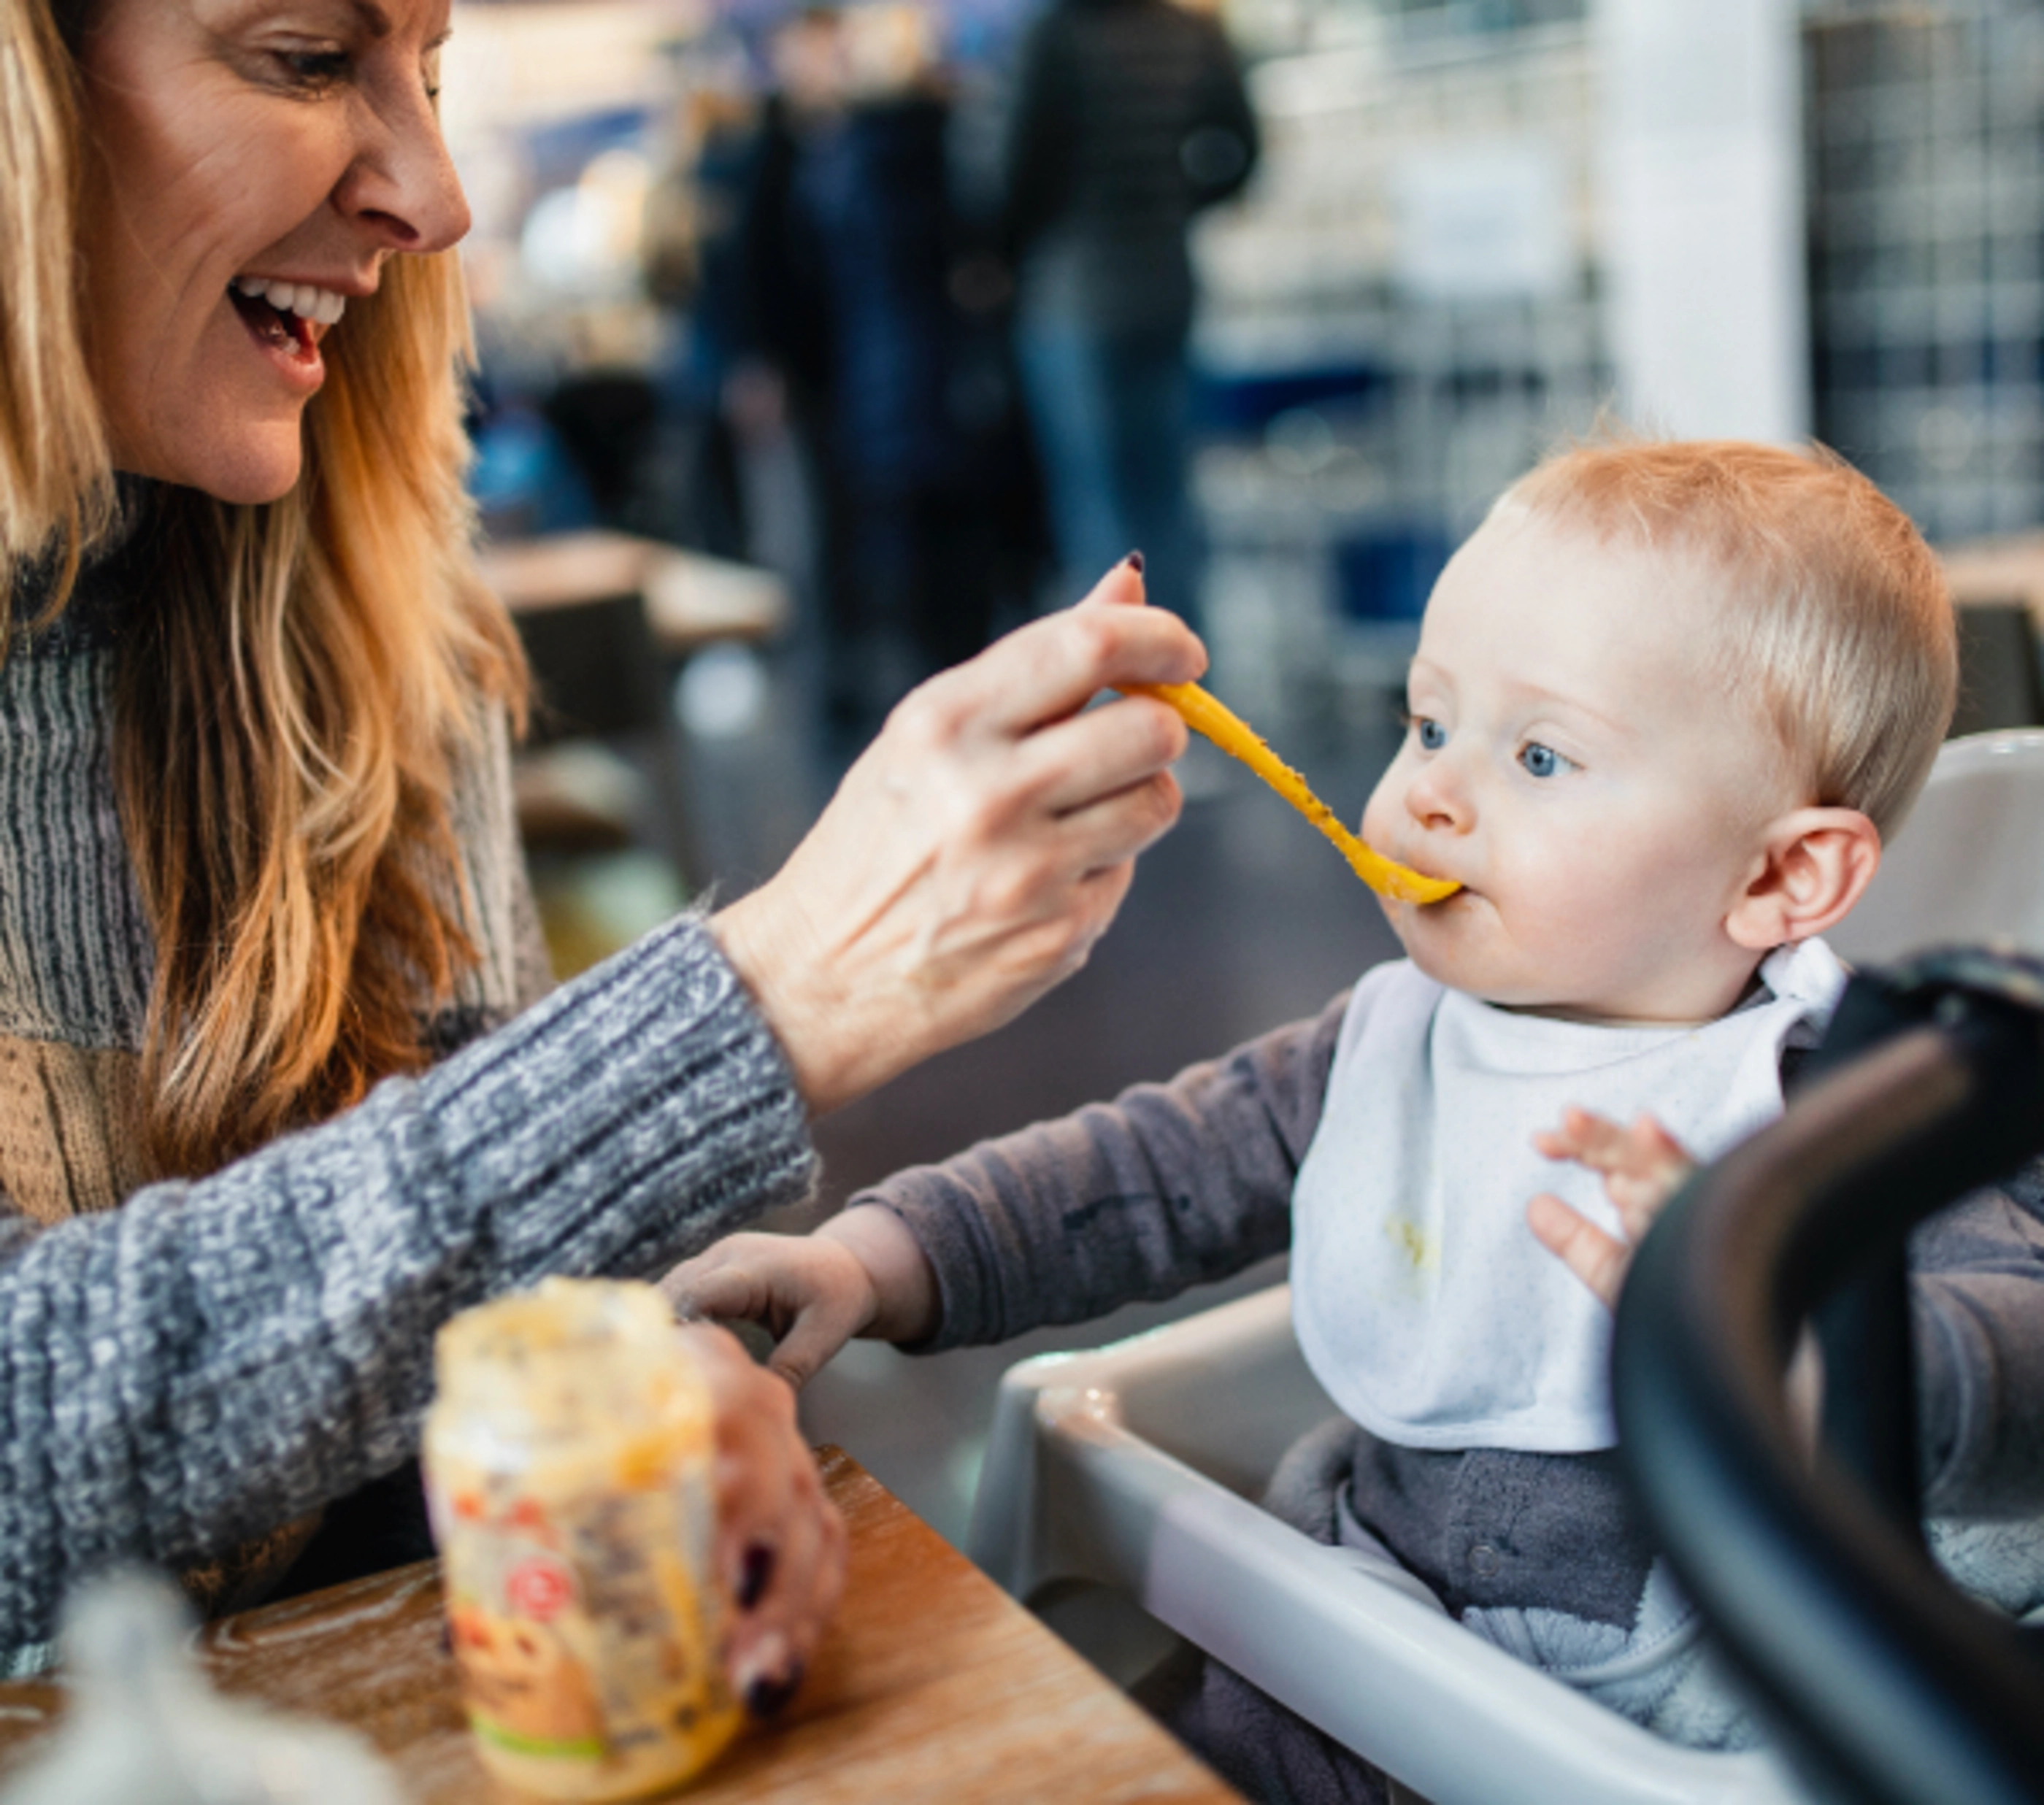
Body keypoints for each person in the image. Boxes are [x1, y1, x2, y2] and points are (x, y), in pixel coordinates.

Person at [0, 0, 1208, 1698]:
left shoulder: (367, 627)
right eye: (300, 59)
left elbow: (470, 1241)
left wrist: (641, 1365)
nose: (437, 196)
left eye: (432, 76)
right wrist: (760, 1001)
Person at [666, 440, 2044, 1799]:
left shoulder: (1838, 1124)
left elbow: (2020, 1349)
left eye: (1541, 755)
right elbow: (1147, 1172)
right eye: (1429, 722)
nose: (1431, 789)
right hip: (1350, 1652)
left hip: (1682, 1716)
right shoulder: (1392, 1041)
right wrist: (882, 1257)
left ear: (1782, 875)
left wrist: (1801, 1345)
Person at [999, 0, 1259, 634]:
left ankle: (1123, 682)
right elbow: (1242, 153)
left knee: (1097, 505)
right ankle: (1184, 669)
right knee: (1169, 494)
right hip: (1166, 283)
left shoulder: (1054, 35)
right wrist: (1174, 202)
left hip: (1073, 294)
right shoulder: (1191, 32)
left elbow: (1013, 173)